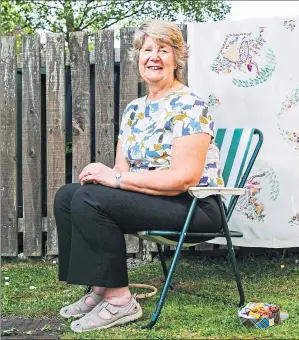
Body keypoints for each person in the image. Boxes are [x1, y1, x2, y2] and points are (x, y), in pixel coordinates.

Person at [54, 19, 224, 333]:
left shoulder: (190, 105)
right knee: (69, 195)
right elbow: (122, 171)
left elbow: (183, 178)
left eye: (164, 49)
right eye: (147, 50)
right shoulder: (134, 110)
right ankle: (101, 288)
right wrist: (107, 177)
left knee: (92, 198)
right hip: (153, 199)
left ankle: (121, 301)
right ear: (138, 59)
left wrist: (114, 181)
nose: (154, 57)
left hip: (194, 207)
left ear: (177, 59)